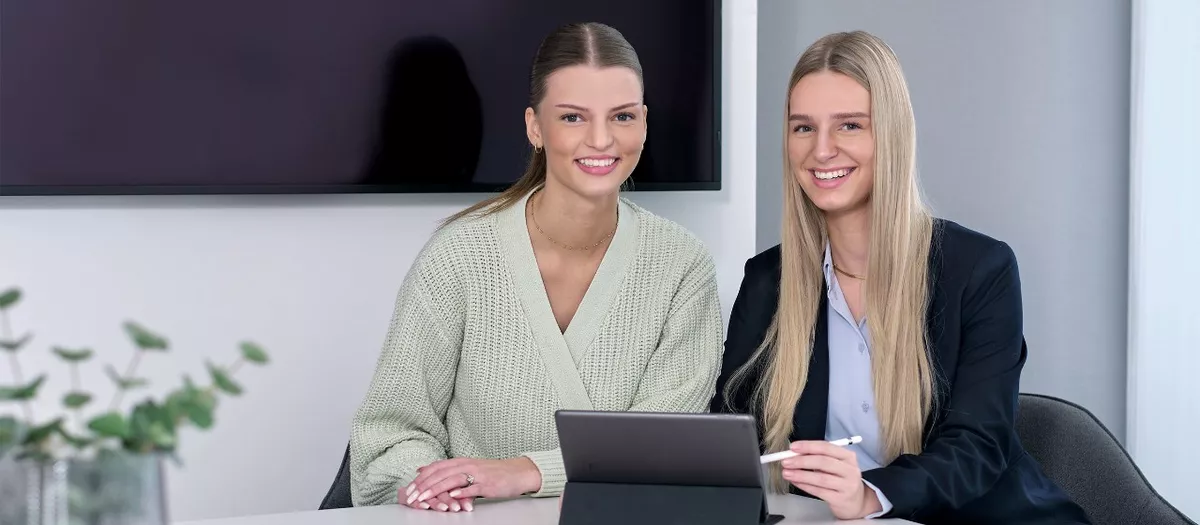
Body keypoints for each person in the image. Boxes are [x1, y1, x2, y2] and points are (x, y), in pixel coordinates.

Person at [710, 31, 1092, 524]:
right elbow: (730, 432)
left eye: (849, 125)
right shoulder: (768, 280)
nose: (821, 150)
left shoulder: (980, 271)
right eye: (802, 128)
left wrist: (870, 496)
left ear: (891, 134)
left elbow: (976, 446)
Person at [348, 22, 724, 513]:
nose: (601, 139)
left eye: (623, 116)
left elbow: (662, 446)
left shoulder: (683, 266)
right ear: (534, 127)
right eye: (572, 117)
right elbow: (391, 434)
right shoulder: (460, 256)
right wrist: (432, 489)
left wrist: (523, 473)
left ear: (644, 124)